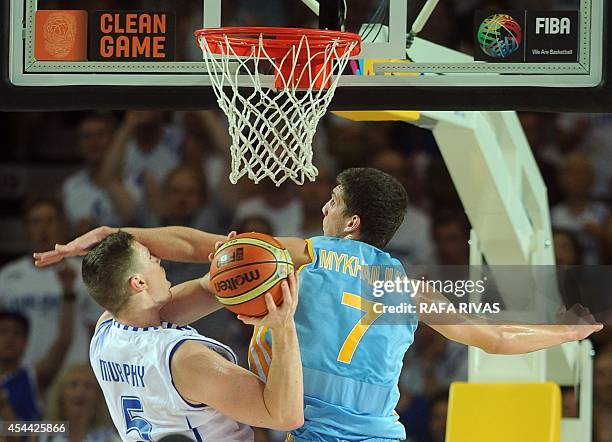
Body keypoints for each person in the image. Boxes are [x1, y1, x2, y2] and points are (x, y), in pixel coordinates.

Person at [35, 168, 603, 442]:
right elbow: (497, 338)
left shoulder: (311, 255)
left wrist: (118, 231)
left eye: (332, 202)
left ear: (349, 223)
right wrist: (570, 333)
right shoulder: (407, 284)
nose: (323, 208)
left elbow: (197, 247)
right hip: (384, 435)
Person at [74, 232, 303, 440]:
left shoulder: (104, 333)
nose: (158, 259)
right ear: (139, 282)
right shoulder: (186, 361)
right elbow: (284, 416)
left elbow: (207, 289)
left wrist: (226, 265)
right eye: (149, 257)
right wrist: (284, 327)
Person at [0, 198, 99, 365]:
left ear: (63, 225)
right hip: (23, 374)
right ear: (25, 229)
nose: (43, 228)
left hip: (71, 378)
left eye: (50, 221)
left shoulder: (84, 272)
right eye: (35, 222)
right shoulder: (7, 276)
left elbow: (97, 328)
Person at [0, 282, 75, 424]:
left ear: (26, 341)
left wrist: (68, 293)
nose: (9, 338)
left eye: (16, 333)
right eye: (3, 332)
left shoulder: (34, 377)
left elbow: (64, 339)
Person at [40, 363, 118, 442]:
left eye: (87, 386)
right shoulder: (42, 429)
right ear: (60, 392)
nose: (80, 393)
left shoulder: (110, 437)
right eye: (73, 385)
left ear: (98, 395)